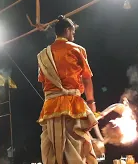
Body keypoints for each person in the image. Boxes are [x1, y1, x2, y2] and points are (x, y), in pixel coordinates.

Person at [37, 15, 101, 164]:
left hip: (50, 107)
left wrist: (53, 96)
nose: (73, 36)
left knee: (51, 147)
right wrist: (91, 102)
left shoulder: (42, 55)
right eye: (73, 33)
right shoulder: (77, 49)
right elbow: (86, 78)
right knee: (78, 147)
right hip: (72, 104)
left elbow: (43, 82)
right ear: (67, 31)